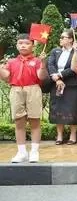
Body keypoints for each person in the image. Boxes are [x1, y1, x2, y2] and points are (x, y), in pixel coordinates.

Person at [0, 34, 47, 163]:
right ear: (16, 45)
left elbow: (42, 77)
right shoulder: (11, 62)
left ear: (32, 45)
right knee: (19, 121)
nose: (23, 45)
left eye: (26, 43)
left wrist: (43, 63)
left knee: (34, 120)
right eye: (20, 43)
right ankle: (21, 152)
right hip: (16, 89)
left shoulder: (37, 61)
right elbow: (6, 77)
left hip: (33, 88)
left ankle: (34, 151)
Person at [46, 29, 77, 145]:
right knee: (57, 108)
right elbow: (50, 64)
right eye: (61, 37)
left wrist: (61, 75)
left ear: (71, 39)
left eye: (63, 37)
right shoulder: (55, 51)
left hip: (72, 85)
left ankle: (73, 136)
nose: (61, 39)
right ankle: (59, 136)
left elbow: (75, 69)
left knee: (73, 109)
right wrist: (56, 78)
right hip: (56, 84)